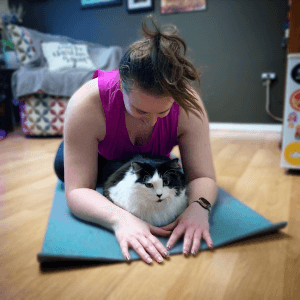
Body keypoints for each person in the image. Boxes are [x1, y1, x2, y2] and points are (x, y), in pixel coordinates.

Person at [54, 15, 218, 265]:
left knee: (168, 173)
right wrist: (120, 219)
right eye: (141, 111)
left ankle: (154, 160)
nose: (152, 122)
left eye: (162, 112)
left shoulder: (189, 105)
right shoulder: (87, 103)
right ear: (121, 88)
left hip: (146, 161)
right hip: (102, 157)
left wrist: (199, 208)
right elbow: (77, 190)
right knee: (62, 166)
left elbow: (203, 176)